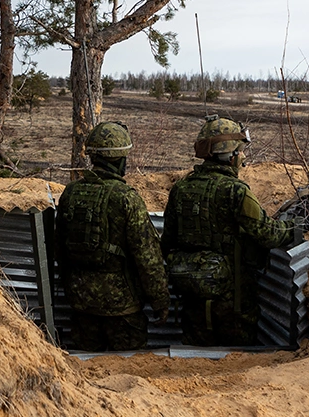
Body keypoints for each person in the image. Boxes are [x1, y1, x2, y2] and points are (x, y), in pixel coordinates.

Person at [161, 116, 295, 346]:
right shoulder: (236, 191)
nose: (243, 157)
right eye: (240, 151)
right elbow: (268, 234)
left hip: (193, 297)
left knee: (195, 355)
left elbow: (167, 242)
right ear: (229, 156)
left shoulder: (181, 188)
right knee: (237, 358)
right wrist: (296, 227)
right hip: (233, 301)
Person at [55, 122, 170, 352]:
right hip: (122, 308)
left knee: (84, 367)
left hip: (81, 303)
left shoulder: (71, 193)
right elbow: (148, 258)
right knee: (127, 367)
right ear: (119, 160)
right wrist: (160, 301)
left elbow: (60, 248)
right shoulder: (126, 198)